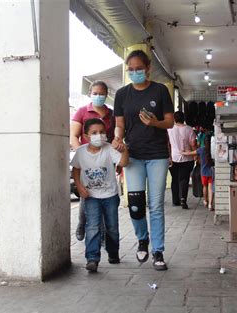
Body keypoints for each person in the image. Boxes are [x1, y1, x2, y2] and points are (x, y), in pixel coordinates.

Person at [112, 50, 174, 271]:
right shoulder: (122, 94)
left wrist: (154, 123)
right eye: (131, 69)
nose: (135, 72)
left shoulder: (160, 90)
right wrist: (118, 138)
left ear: (148, 68)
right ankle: (142, 239)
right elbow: (119, 124)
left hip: (157, 155)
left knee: (155, 205)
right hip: (133, 155)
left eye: (139, 68)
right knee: (136, 206)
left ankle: (158, 251)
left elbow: (170, 123)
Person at [71, 118, 129, 272]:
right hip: (91, 197)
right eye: (94, 133)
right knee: (93, 226)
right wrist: (79, 186)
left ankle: (113, 252)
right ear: (86, 135)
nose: (99, 135)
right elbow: (75, 169)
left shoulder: (109, 149)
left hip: (110, 196)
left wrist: (124, 150)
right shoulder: (81, 152)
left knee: (112, 227)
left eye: (102, 132)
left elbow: (123, 163)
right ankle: (92, 258)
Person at [70, 81, 115, 241]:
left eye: (101, 93)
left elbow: (115, 138)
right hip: (86, 160)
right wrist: (81, 155)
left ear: (107, 94)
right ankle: (82, 223)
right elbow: (74, 136)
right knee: (86, 194)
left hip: (105, 161)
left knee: (104, 194)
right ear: (90, 94)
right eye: (95, 93)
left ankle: (101, 233)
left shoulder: (112, 115)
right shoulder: (82, 112)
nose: (98, 96)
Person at [167, 111, 196, 209]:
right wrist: (193, 152)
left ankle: (175, 200)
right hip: (187, 158)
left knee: (175, 179)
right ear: (184, 118)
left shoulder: (169, 129)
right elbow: (193, 144)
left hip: (173, 158)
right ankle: (183, 199)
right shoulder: (189, 129)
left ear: (174, 119)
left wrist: (169, 156)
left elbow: (168, 144)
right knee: (184, 179)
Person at [183, 133, 214, 211]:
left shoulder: (201, 149)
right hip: (212, 172)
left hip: (203, 172)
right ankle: (210, 204)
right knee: (210, 188)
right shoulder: (213, 149)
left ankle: (205, 201)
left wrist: (183, 152)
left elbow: (190, 153)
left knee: (205, 186)